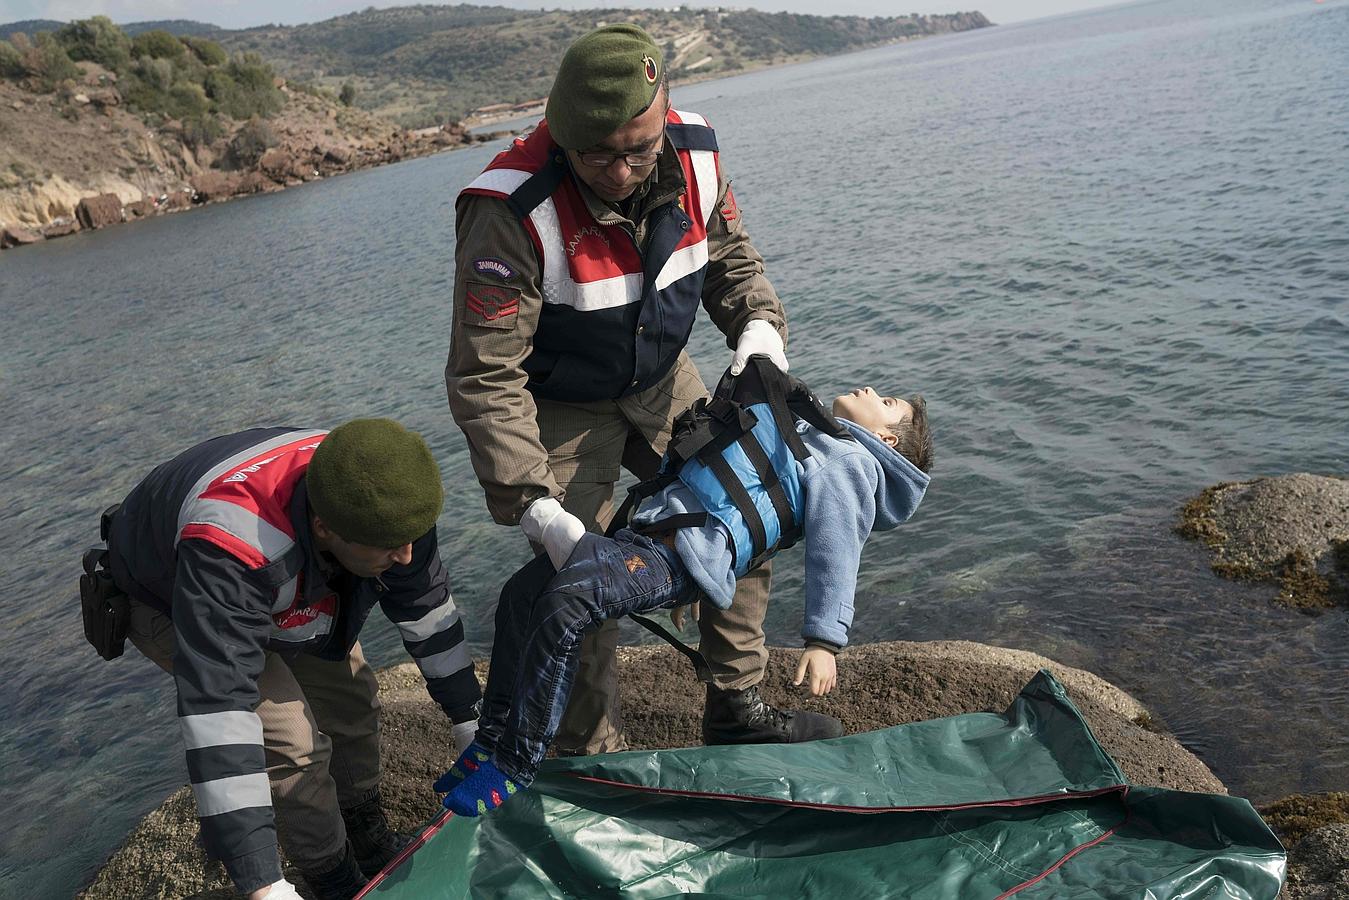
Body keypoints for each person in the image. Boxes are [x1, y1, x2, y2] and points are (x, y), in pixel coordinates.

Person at [445, 22, 836, 759]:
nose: (620, 172)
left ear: (663, 115)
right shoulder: (507, 207)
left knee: (743, 512)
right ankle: (593, 757)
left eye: (637, 149)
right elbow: (484, 373)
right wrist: (531, 502)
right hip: (555, 400)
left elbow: (729, 260)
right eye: (596, 154)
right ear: (558, 135)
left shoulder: (694, 152)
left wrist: (758, 330)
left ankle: (734, 702)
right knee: (584, 578)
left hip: (661, 374)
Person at [436, 375, 933, 817]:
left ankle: (515, 761)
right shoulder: (810, 434)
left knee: (566, 602)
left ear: (885, 440)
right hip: (651, 539)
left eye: (886, 401)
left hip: (666, 559)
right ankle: (491, 738)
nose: (871, 391)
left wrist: (824, 640)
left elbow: (836, 548)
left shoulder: (850, 463)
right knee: (522, 591)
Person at [89, 420, 481, 900]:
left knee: (353, 700)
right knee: (293, 743)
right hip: (171, 592)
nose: (406, 556)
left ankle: (366, 835)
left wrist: (468, 719)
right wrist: (261, 882)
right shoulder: (231, 548)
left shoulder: (391, 501)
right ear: (324, 527)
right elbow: (219, 713)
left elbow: (427, 609)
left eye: (411, 540)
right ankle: (331, 877)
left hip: (292, 570)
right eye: (390, 547)